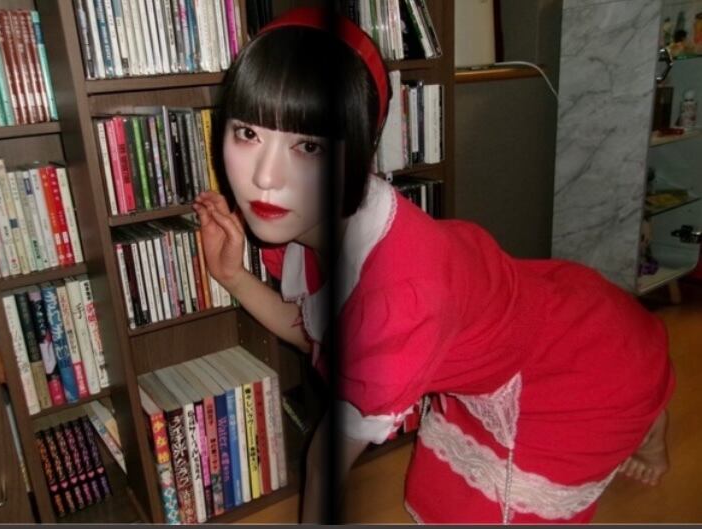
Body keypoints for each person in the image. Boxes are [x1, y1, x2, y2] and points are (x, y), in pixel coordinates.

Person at [193, 7, 674, 524]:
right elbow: (321, 333)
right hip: (536, 315)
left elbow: (324, 463)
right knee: (433, 499)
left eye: (307, 145)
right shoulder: (326, 217)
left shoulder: (399, 292)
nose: (266, 178)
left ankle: (650, 428)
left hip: (579, 357)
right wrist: (232, 276)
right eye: (248, 133)